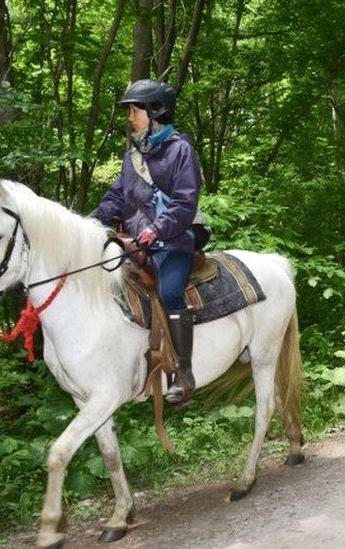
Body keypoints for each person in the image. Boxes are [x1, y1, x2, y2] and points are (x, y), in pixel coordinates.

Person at [92, 79, 203, 405]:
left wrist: (157, 229)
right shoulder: (133, 156)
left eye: (135, 110)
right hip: (137, 246)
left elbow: (185, 202)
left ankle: (184, 373)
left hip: (174, 240)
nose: (130, 117)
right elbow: (116, 197)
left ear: (156, 112)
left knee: (169, 292)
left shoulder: (180, 150)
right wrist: (92, 221)